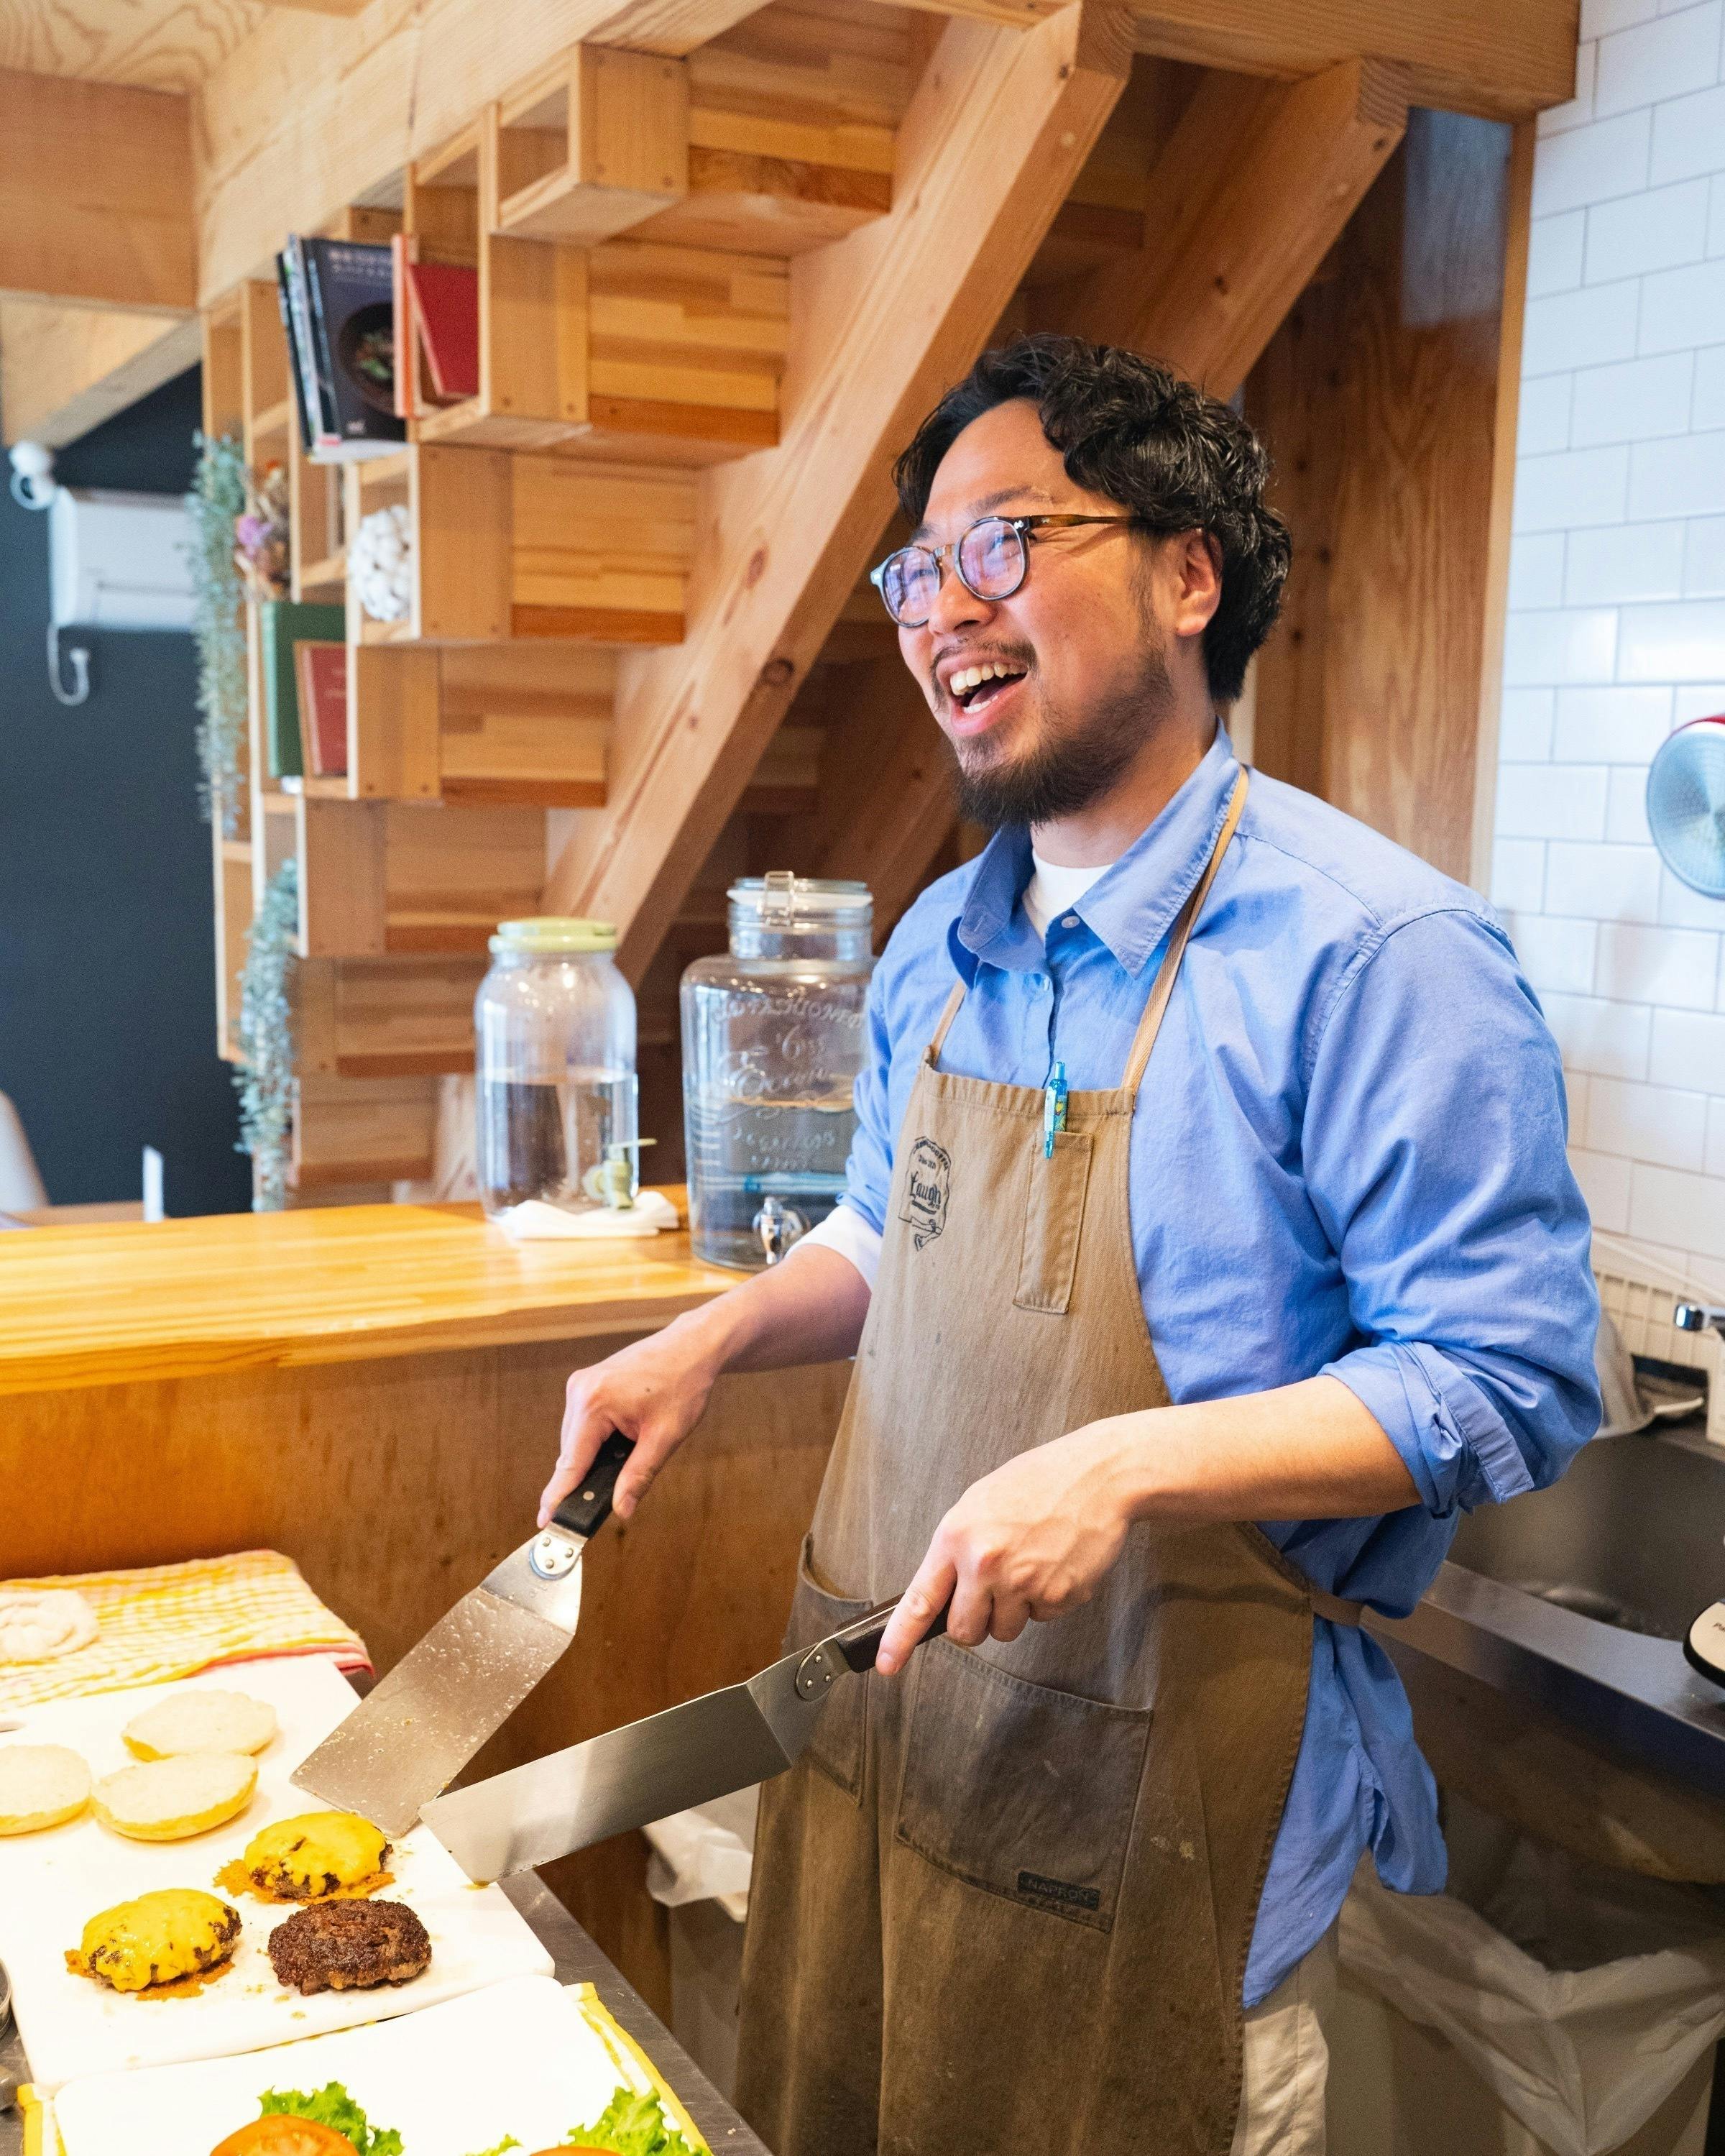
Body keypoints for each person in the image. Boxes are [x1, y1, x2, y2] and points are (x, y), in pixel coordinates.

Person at [541, 335, 1601, 2155]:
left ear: (1190, 575)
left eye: (1005, 542)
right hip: (902, 1762)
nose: (943, 609)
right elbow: (889, 1228)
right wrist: (720, 1335)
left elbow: (1507, 1377)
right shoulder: (940, 941)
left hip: (1174, 1826)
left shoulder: (1378, 958)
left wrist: (1118, 1467)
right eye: (916, 572)